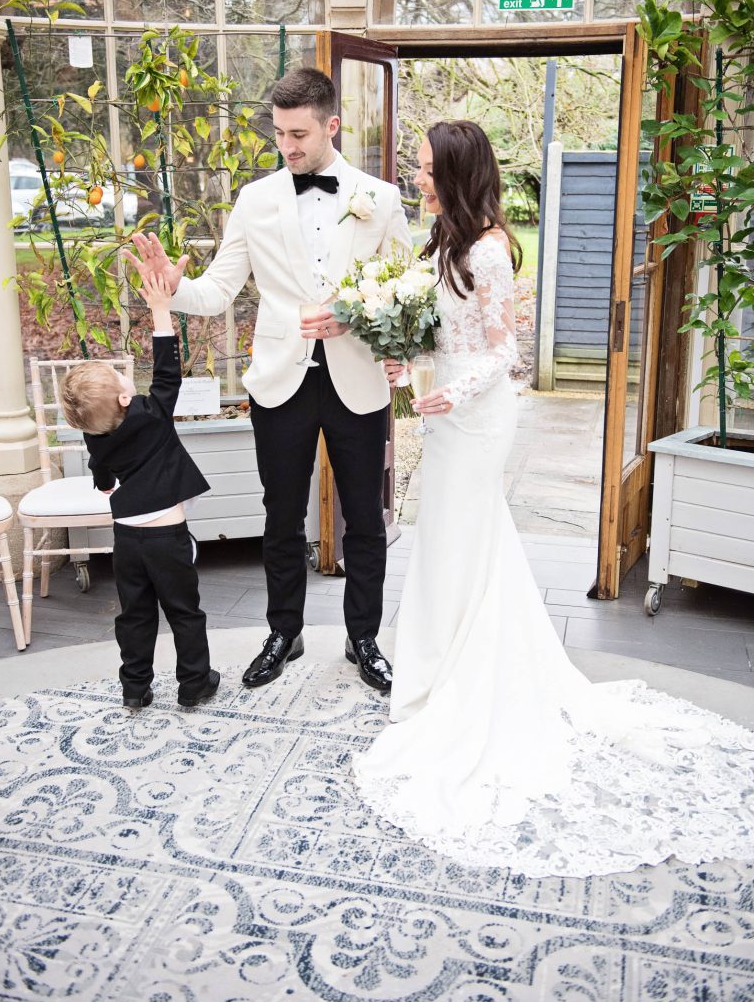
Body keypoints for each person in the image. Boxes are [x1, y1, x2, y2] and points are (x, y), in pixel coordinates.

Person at [352, 120, 754, 878]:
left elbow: (502, 351)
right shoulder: (442, 240)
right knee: (450, 536)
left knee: (463, 532)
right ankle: (439, 665)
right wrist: (413, 364)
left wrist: (453, 390)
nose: (419, 178)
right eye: (418, 167)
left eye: (429, 168)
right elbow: (449, 332)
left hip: (480, 416)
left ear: (461, 172)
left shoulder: (493, 249)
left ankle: (470, 676)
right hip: (447, 409)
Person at [123, 67, 411, 692]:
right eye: (280, 133)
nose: (288, 146)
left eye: (300, 133)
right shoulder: (254, 200)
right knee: (281, 515)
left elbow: (407, 295)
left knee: (365, 516)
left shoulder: (380, 199)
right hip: (280, 382)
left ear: (332, 125)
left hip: (357, 380)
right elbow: (220, 289)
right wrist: (176, 288)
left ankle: (365, 638)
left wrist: (369, 327)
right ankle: (285, 631)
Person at [61, 274, 220, 711]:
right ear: (127, 398)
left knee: (135, 615)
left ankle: (135, 687)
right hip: (167, 538)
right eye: (120, 378)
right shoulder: (151, 415)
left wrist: (105, 482)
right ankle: (194, 683)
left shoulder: (97, 437)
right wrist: (160, 310)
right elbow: (168, 372)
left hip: (126, 539)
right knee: (185, 612)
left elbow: (102, 475)